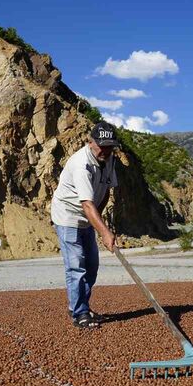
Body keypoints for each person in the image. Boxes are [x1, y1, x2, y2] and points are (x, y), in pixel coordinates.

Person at [51, 122, 119, 329]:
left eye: (109, 146)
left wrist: (100, 223)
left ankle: (80, 306)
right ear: (91, 142)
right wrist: (105, 232)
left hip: (88, 217)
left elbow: (106, 191)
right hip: (68, 217)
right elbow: (87, 203)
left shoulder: (109, 159)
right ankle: (79, 313)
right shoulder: (81, 164)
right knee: (76, 266)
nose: (105, 151)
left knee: (91, 266)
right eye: (101, 146)